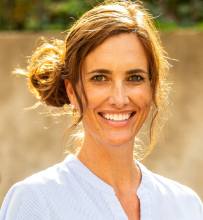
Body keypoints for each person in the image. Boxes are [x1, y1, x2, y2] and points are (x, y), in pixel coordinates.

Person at [0, 0, 203, 219]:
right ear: (71, 90)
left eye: (135, 77)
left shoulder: (186, 206)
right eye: (99, 78)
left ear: (152, 87)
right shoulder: (35, 201)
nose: (119, 98)